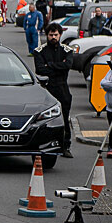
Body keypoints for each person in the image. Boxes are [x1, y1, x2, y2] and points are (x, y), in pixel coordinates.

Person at [34, 22, 74, 158]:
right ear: (47, 35)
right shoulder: (39, 51)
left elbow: (68, 65)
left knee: (65, 118)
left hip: (62, 87)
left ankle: (66, 145)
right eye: (51, 35)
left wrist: (50, 65)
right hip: (47, 88)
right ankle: (44, 144)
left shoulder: (67, 51)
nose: (53, 37)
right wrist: (58, 66)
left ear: (60, 35)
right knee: (45, 119)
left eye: (56, 35)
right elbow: (40, 69)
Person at [99, 51, 112, 158]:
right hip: (110, 106)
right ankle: (111, 148)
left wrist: (107, 84)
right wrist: (107, 84)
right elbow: (103, 82)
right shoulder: (111, 71)